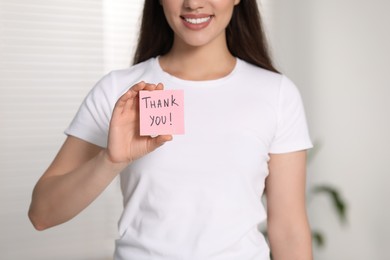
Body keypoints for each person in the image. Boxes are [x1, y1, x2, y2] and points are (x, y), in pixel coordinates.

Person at [29, 0, 313, 259]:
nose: (194, 4)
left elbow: (288, 230)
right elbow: (42, 214)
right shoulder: (120, 92)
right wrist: (110, 161)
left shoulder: (276, 93)